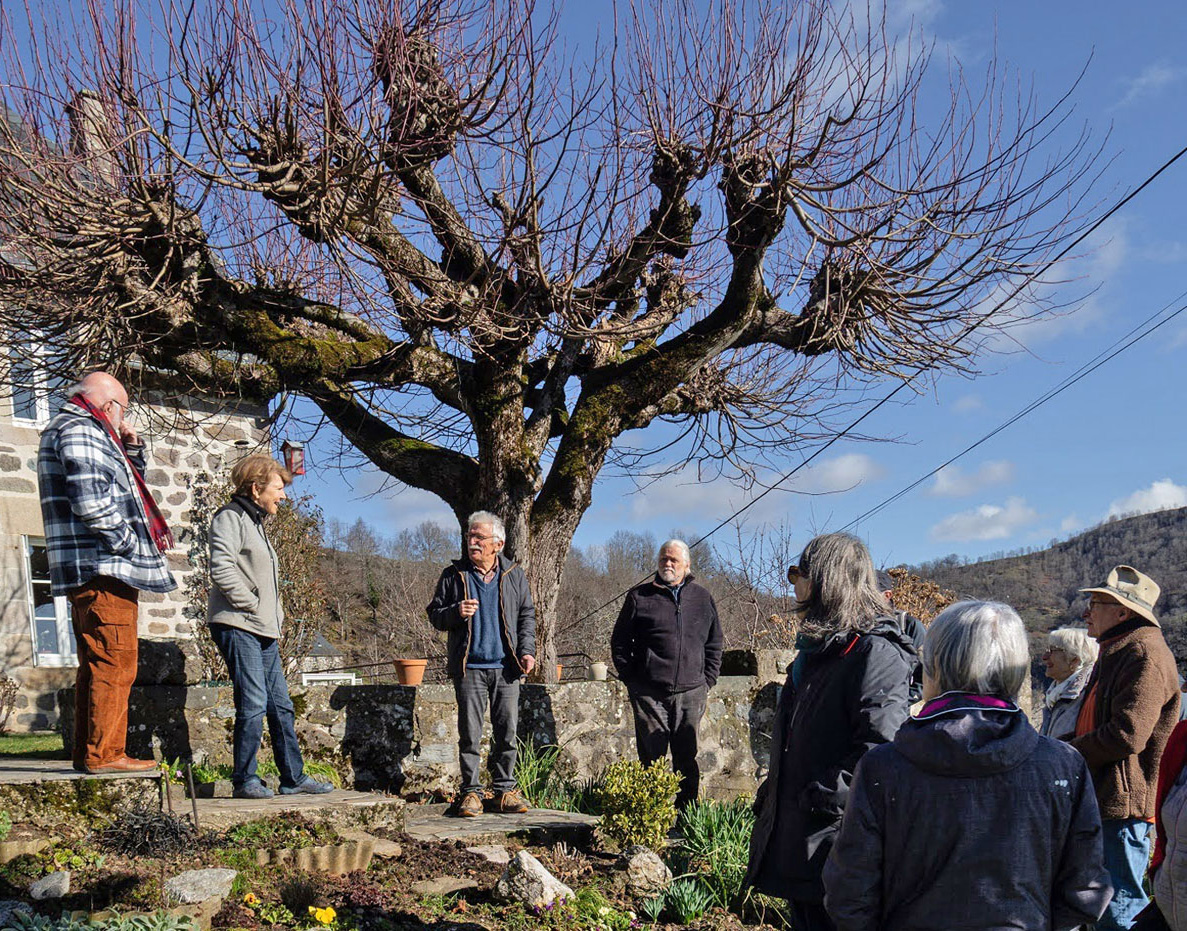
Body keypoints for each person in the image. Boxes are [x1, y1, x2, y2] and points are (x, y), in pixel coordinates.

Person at [822, 601, 1113, 931]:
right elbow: (1086, 888)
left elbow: (850, 891)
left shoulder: (884, 768)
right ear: (1018, 667)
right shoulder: (1062, 766)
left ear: (933, 664)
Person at [745, 533, 916, 931]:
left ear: (825, 579)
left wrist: (820, 796)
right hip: (806, 839)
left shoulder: (875, 652)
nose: (792, 585)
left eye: (797, 573)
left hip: (837, 842)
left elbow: (882, 749)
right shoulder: (819, 650)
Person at [37, 372, 175, 774]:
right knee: (117, 660)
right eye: (123, 411)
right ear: (109, 405)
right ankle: (106, 754)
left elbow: (120, 488)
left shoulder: (77, 427)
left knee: (99, 661)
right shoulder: (82, 428)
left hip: (93, 566)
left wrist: (131, 450)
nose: (123, 420)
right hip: (103, 566)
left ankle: (91, 753)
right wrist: (129, 546)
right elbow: (92, 502)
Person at [206, 454, 333, 799]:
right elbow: (221, 567)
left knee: (281, 704)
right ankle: (244, 779)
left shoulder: (256, 523)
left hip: (261, 628)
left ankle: (293, 777)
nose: (284, 496)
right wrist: (250, 603)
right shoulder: (230, 518)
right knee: (253, 700)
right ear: (256, 487)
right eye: (279, 488)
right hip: (237, 623)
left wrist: (266, 614)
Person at [1072, 566, 1180, 931]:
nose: (1086, 612)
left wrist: (1068, 752)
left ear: (1122, 612)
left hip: (1123, 807)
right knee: (1105, 904)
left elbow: (1128, 734)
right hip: (1106, 800)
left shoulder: (1143, 653)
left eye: (1095, 603)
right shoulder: (1118, 650)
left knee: (1119, 907)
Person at [427, 511, 536, 817]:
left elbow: (527, 615)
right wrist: (455, 611)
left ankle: (504, 791)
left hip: (507, 667)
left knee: (507, 732)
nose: (472, 542)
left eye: (479, 537)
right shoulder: (454, 574)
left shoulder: (514, 574)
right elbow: (435, 614)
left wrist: (527, 650)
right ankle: (471, 793)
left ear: (497, 543)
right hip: (469, 667)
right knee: (470, 734)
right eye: (469, 537)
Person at [611, 539, 723, 810]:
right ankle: (652, 816)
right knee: (651, 756)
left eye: (673, 560)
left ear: (686, 565)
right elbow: (620, 642)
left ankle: (686, 817)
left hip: (692, 691)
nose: (667, 564)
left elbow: (714, 642)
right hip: (649, 693)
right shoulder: (639, 597)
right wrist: (633, 680)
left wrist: (708, 680)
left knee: (687, 757)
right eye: (663, 559)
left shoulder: (702, 598)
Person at [877, 568, 925, 703]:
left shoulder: (909, 626)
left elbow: (926, 674)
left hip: (901, 713)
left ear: (887, 595)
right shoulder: (855, 626)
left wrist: (905, 703)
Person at [1041, 627, 1099, 739]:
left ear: (1075, 660)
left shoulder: (1088, 696)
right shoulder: (1055, 695)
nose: (1044, 657)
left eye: (1052, 650)